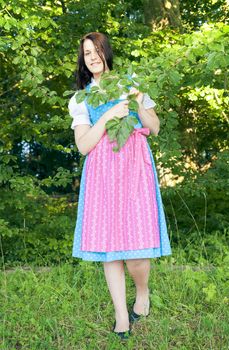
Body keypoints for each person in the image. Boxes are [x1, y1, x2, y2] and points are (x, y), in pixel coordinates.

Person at [68, 32, 172, 340]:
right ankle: (121, 317)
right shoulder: (81, 98)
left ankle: (142, 290)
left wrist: (139, 102)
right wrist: (108, 116)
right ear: (83, 59)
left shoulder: (130, 81)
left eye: (96, 50)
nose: (92, 56)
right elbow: (84, 146)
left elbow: (153, 127)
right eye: (86, 53)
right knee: (110, 250)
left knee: (137, 253)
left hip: (134, 168)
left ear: (106, 52)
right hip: (101, 174)